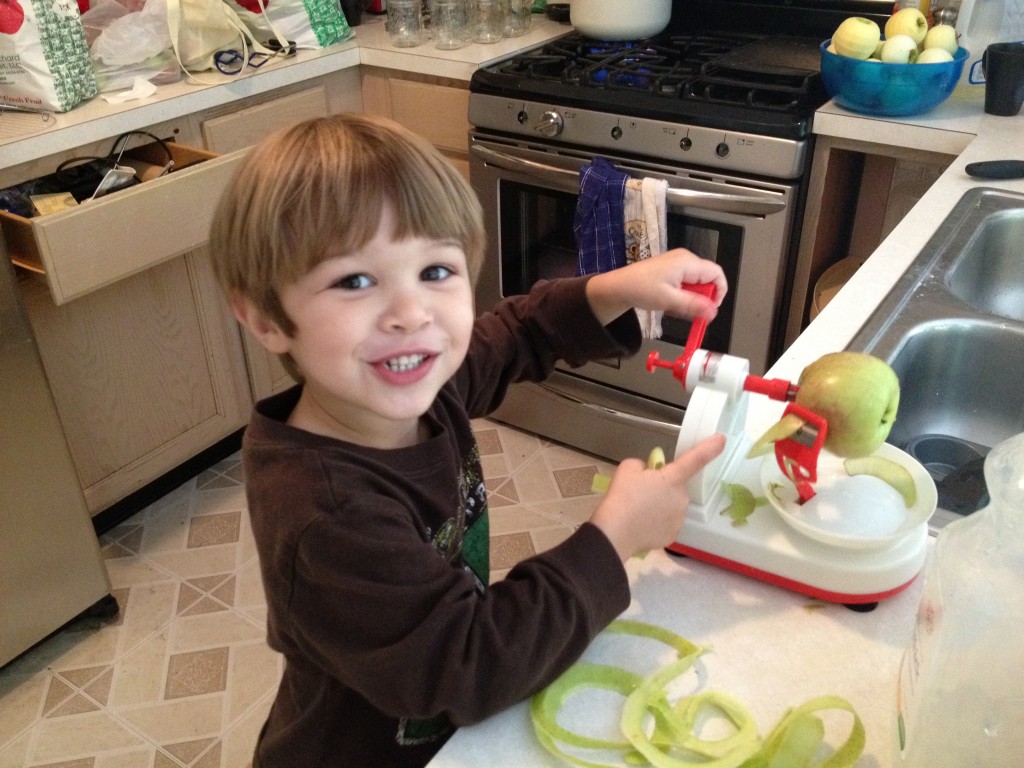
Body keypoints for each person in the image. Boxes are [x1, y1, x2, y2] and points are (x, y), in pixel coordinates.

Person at [208, 113, 728, 768]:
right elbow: (470, 664)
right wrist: (614, 537)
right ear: (264, 317)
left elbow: (512, 336)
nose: (411, 315)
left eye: (435, 270)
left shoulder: (421, 389)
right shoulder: (327, 515)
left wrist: (611, 289)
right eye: (355, 281)